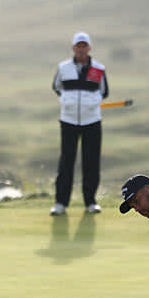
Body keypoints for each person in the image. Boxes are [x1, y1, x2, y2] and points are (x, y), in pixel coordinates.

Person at [50, 31, 109, 216]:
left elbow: (104, 91)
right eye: (78, 46)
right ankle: (60, 203)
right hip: (68, 120)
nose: (81, 49)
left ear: (89, 48)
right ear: (74, 48)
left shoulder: (98, 69)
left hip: (92, 120)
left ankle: (90, 202)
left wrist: (88, 104)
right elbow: (56, 86)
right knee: (66, 161)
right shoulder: (63, 68)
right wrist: (68, 101)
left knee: (91, 161)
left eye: (84, 46)